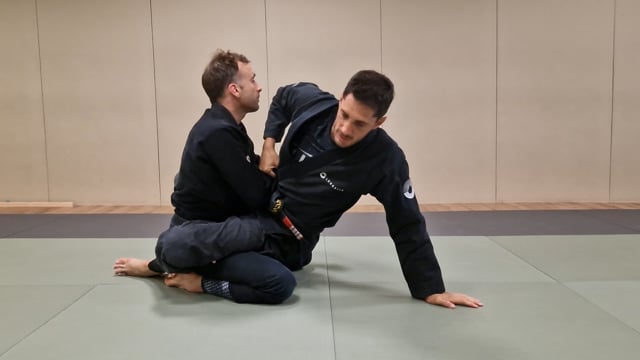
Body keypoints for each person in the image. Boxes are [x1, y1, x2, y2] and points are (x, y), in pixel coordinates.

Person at [154, 70, 483, 309]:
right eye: (344, 114)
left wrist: (429, 287)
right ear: (340, 100)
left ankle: (196, 275)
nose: (344, 128)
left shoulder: (384, 160)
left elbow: (406, 220)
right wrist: (270, 143)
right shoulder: (315, 105)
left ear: (379, 122)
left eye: (359, 124)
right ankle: (179, 261)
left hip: (284, 237)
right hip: (255, 207)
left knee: (182, 249)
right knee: (175, 243)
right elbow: (283, 97)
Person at [113, 49, 274, 287]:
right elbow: (256, 196)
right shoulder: (217, 133)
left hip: (214, 223)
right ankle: (162, 266)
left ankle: (170, 265)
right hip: (197, 231)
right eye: (252, 80)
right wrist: (269, 172)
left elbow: (249, 179)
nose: (258, 87)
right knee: (262, 231)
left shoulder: (229, 127)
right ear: (234, 89)